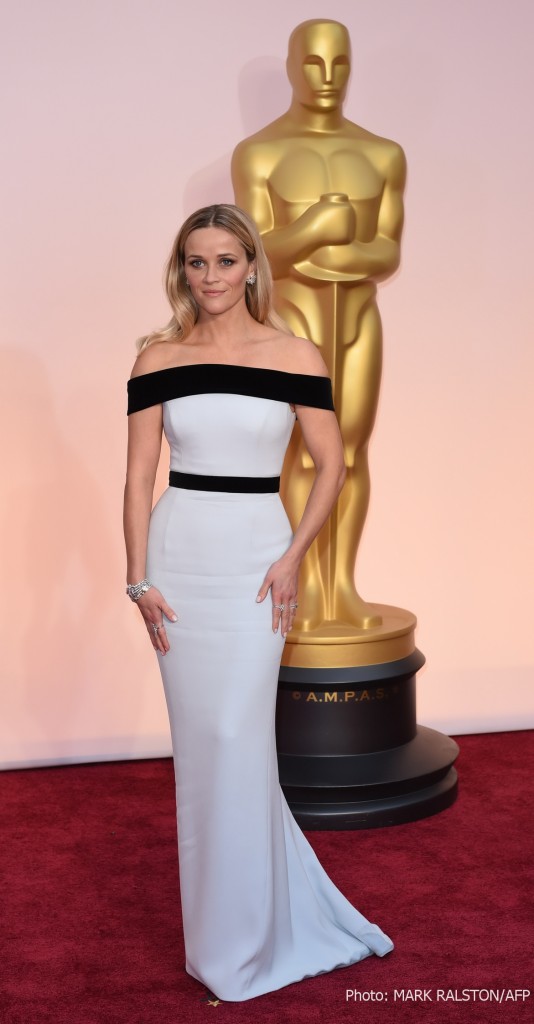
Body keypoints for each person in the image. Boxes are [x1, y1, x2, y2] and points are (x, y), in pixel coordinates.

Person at [123, 203, 393, 1001]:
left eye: (226, 261)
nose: (210, 277)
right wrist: (137, 576)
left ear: (252, 267)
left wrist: (293, 557)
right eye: (196, 263)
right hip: (179, 559)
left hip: (255, 559)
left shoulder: (296, 353)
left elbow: (332, 465)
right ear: (183, 270)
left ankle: (251, 941)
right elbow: (140, 477)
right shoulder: (154, 359)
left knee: (241, 735)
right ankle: (222, 944)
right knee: (205, 748)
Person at [232, 19, 406, 630]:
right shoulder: (260, 153)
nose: (327, 78)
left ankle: (342, 588)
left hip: (357, 318)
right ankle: (299, 583)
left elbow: (387, 252)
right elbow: (253, 251)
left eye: (340, 65)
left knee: (351, 454)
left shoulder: (382, 154)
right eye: (313, 64)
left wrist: (327, 253)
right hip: (292, 324)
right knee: (297, 456)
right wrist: (314, 232)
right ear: (290, 66)